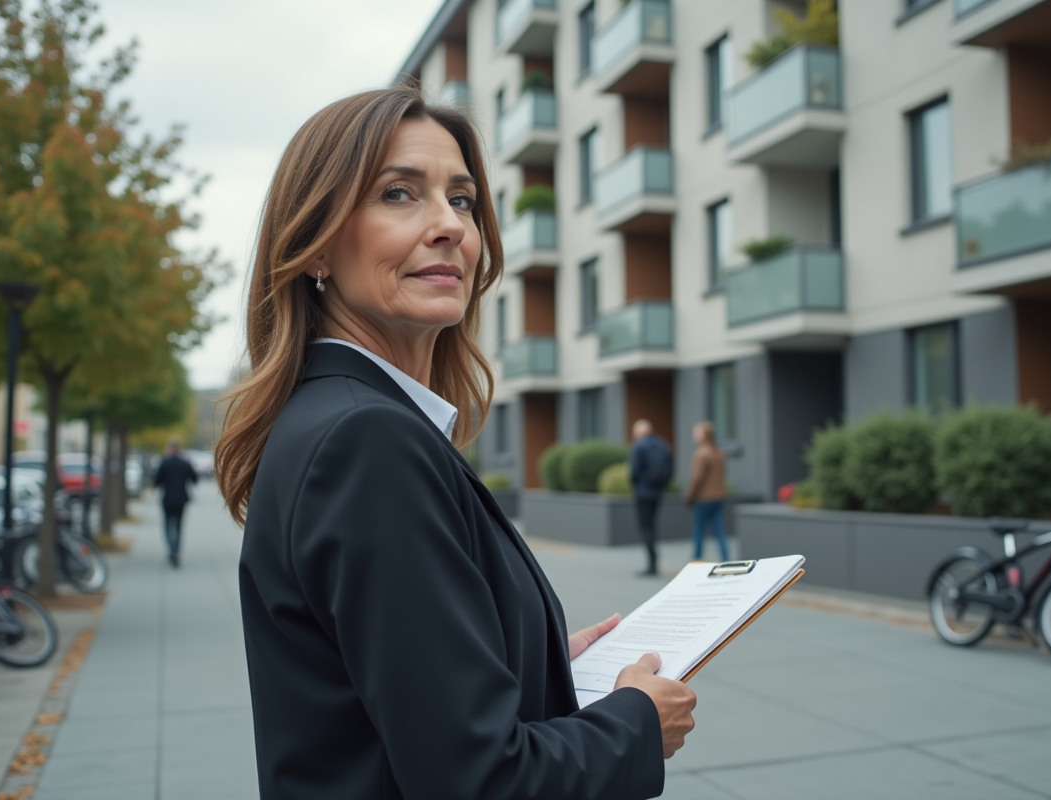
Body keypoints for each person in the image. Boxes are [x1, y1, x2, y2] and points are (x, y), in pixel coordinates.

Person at [214, 87, 695, 800]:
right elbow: (478, 781)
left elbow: (387, 699)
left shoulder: (335, 420)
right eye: (399, 194)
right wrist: (635, 724)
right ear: (315, 246)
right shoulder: (366, 441)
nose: (450, 226)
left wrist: (531, 666)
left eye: (463, 200)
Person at [628, 419, 674, 577]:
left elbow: (634, 472)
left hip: (643, 493)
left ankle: (652, 564)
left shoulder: (639, 446)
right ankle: (654, 561)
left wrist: (637, 486)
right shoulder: (662, 444)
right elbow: (670, 469)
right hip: (658, 492)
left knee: (646, 527)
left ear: (639, 433)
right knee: (652, 526)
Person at [684, 422, 730, 563]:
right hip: (718, 496)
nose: (694, 435)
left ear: (704, 435)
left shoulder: (701, 453)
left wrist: (689, 496)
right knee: (719, 531)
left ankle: (697, 560)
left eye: (697, 433)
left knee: (699, 531)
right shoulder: (719, 452)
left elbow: (697, 479)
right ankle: (726, 559)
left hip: (704, 498)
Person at [153, 437, 198, 567]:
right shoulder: (185, 463)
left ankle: (171, 550)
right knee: (179, 526)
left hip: (167, 499)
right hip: (182, 499)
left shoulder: (164, 463)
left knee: (167, 526)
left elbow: (157, 481)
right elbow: (194, 479)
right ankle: (176, 551)